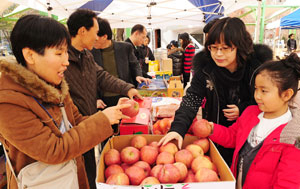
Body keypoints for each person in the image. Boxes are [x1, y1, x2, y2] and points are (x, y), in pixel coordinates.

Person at [0, 14, 130, 189]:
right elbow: (53, 150)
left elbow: (77, 123)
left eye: (66, 53)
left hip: (72, 178)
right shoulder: (9, 102)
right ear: (30, 56)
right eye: (59, 53)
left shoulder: (57, 88)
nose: (66, 61)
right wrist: (103, 120)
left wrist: (113, 116)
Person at [158, 17, 273, 166]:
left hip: (250, 140)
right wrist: (177, 129)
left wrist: (243, 108)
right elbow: (192, 99)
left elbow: (269, 102)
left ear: (240, 46)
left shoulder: (258, 70)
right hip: (216, 135)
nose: (218, 54)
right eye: (213, 47)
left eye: (225, 48)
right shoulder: (206, 69)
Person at [65, 9, 142, 189]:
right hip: (72, 130)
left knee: (90, 170)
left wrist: (128, 88)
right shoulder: (63, 59)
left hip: (90, 124)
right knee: (77, 174)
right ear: (83, 31)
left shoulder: (86, 55)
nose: (97, 36)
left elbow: (102, 77)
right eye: (96, 31)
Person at [209, 53, 300, 188]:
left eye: (264, 91)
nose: (257, 96)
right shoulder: (250, 113)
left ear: (286, 94)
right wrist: (211, 129)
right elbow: (233, 136)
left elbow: (288, 183)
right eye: (256, 89)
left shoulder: (292, 137)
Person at [91, 18, 150, 107]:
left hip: (124, 94)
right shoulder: (90, 53)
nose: (92, 41)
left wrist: (138, 75)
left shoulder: (124, 47)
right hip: (103, 100)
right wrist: (95, 98)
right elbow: (91, 78)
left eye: (95, 38)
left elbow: (134, 64)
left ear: (104, 36)